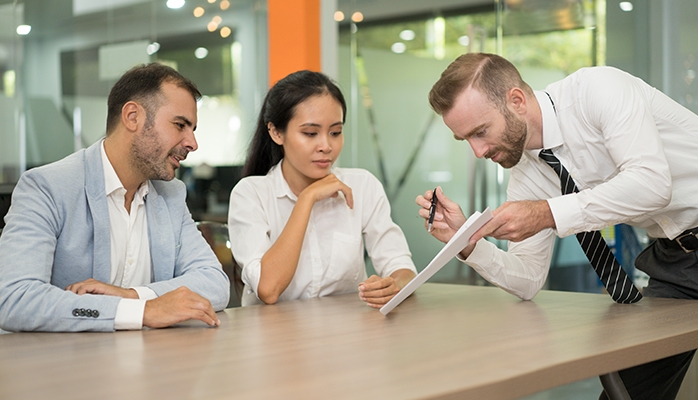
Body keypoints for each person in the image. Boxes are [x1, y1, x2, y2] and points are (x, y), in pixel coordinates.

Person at [416, 52, 698, 400]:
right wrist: (468, 244)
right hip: (677, 260)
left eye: (481, 132)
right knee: (627, 392)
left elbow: (652, 184)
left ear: (516, 100)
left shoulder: (598, 90)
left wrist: (547, 213)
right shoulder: (526, 175)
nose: (477, 151)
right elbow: (528, 279)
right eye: (466, 140)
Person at [0, 63, 230, 332]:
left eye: (192, 129)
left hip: (151, 361)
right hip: (63, 365)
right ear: (132, 117)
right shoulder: (47, 187)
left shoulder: (171, 194)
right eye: (180, 125)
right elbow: (15, 298)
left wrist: (133, 296)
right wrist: (141, 311)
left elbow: (215, 283)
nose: (192, 143)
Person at [228, 70, 416, 308]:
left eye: (335, 132)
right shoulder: (251, 194)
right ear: (276, 132)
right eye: (310, 133)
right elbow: (268, 289)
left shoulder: (362, 185)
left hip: (345, 335)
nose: (326, 146)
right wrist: (307, 198)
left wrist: (393, 286)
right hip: (273, 338)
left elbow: (402, 268)